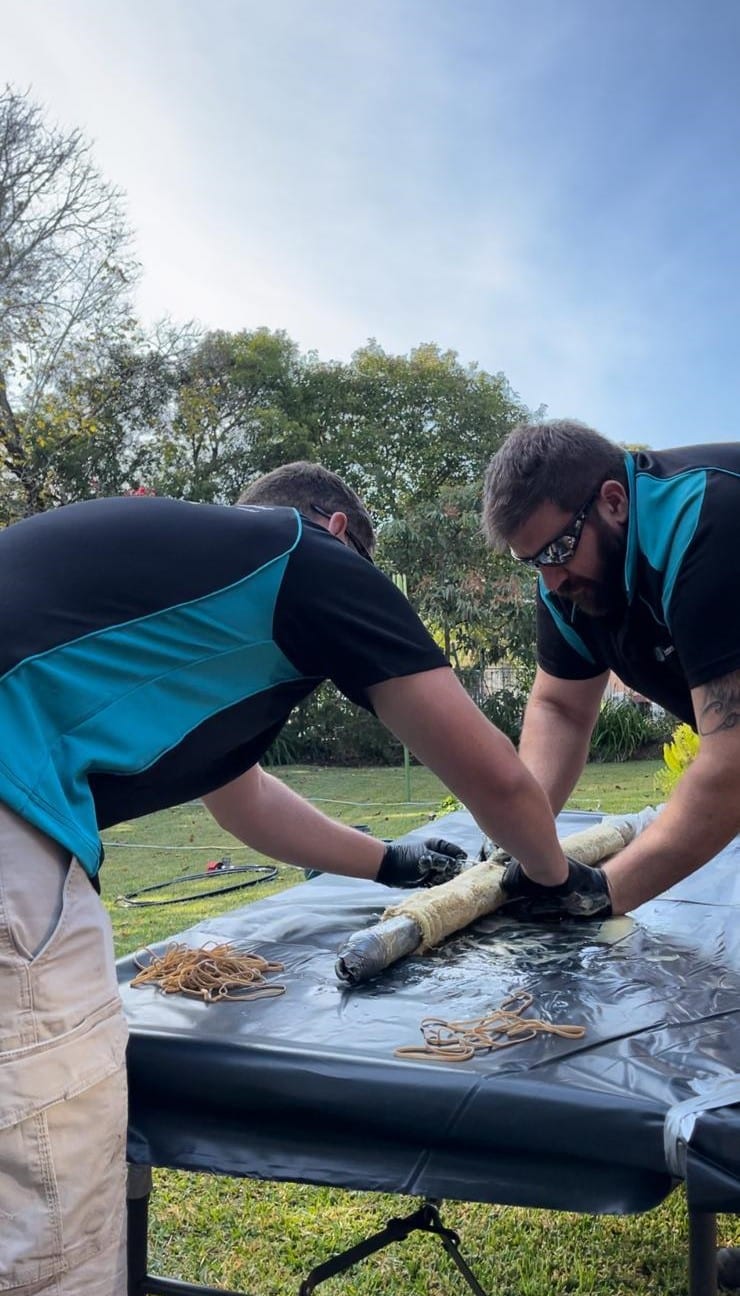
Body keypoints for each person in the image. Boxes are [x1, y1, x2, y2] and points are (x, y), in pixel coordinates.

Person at [0, 460, 570, 1296]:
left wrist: (391, 862)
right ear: (342, 532)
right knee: (49, 1224)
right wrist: (554, 879)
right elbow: (495, 779)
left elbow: (243, 800)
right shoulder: (307, 555)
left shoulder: (190, 592)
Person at [482, 419, 740, 922]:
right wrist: (523, 840)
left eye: (556, 551)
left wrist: (601, 892)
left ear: (614, 502)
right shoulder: (564, 581)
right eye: (532, 561)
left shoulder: (706, 518)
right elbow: (560, 708)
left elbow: (734, 763)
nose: (551, 580)